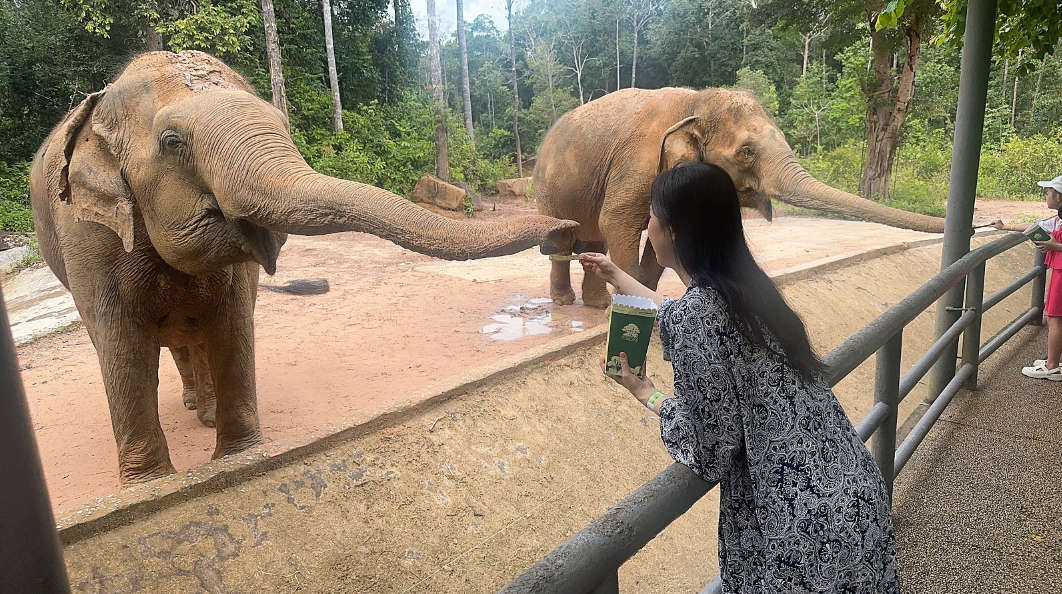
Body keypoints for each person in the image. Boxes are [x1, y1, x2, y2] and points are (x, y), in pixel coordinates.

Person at [579, 162, 897, 593]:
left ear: (671, 230)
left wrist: (647, 394)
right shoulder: (750, 289)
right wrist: (616, 274)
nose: (646, 225)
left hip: (797, 535)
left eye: (651, 214)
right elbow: (679, 316)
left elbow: (710, 450)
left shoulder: (700, 315)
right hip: (855, 498)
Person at [990, 174, 1062, 380]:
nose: (1047, 195)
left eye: (1049, 192)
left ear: (1058, 196)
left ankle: (1052, 366)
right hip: (1058, 269)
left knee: (1055, 317)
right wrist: (1006, 227)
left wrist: (1053, 246)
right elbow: (1036, 225)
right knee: (1056, 316)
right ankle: (1054, 358)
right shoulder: (1059, 218)